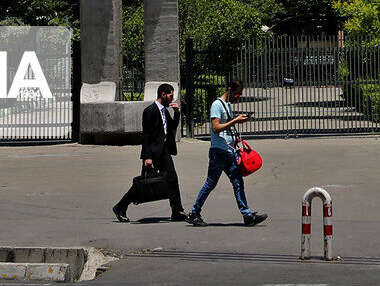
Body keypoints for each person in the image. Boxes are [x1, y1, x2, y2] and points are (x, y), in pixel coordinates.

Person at [186, 78, 268, 227]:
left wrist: (236, 140)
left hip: (229, 151)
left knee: (238, 182)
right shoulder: (217, 105)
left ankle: (247, 215)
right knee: (210, 183)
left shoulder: (227, 106)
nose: (238, 97)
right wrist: (235, 120)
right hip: (218, 152)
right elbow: (216, 128)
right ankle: (194, 213)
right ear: (229, 90)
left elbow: (226, 129)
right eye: (237, 94)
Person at [112, 83, 186, 222]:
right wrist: (147, 157)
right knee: (143, 184)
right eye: (170, 96)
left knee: (172, 179)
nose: (172, 99)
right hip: (152, 153)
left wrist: (176, 113)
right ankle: (120, 207)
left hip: (164, 151)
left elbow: (171, 128)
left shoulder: (164, 110)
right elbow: (146, 135)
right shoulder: (150, 111)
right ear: (163, 94)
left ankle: (177, 210)